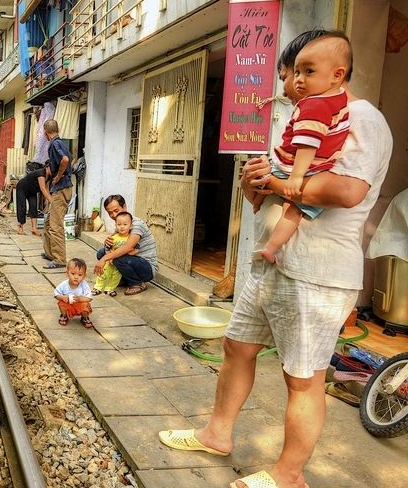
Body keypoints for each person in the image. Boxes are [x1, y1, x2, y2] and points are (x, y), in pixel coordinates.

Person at [158, 30, 393, 488]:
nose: (292, 87)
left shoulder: (363, 119)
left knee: (303, 378)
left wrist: (281, 183)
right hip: (272, 264)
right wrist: (255, 182)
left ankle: (289, 475)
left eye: (299, 74)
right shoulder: (305, 120)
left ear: (335, 74)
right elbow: (260, 199)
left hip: (316, 273)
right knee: (236, 347)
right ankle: (216, 434)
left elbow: (348, 190)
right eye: (292, 75)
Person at [258, 35, 351, 263]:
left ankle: (270, 245)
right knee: (293, 211)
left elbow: (309, 142)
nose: (298, 80)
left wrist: (290, 178)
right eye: (297, 72)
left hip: (294, 171)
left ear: (337, 75)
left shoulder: (315, 104)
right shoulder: (337, 101)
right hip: (304, 173)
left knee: (286, 201)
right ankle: (271, 247)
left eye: (308, 72)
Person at [94, 195, 157, 295]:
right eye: (110, 213)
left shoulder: (136, 224)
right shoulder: (120, 223)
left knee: (116, 257)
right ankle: (123, 279)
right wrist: (108, 243)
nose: (113, 215)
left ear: (124, 207)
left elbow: (128, 247)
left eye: (116, 210)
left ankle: (137, 283)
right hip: (131, 260)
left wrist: (104, 259)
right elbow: (115, 245)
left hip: (146, 268)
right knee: (101, 252)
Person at [41, 119, 73, 269]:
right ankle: (50, 253)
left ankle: (59, 259)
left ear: (46, 133)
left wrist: (58, 176)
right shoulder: (62, 143)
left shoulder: (54, 144)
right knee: (49, 222)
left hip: (61, 188)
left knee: (56, 225)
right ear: (58, 129)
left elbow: (65, 160)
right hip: (61, 188)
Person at [92, 212, 140, 296]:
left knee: (116, 277)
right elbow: (107, 248)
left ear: (131, 226)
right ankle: (98, 287)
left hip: (120, 263)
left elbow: (137, 249)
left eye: (125, 224)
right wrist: (109, 257)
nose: (122, 226)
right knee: (103, 273)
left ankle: (110, 289)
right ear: (116, 225)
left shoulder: (131, 238)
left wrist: (129, 253)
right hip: (110, 262)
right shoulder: (114, 237)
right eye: (119, 224)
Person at [53, 258, 93, 328]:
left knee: (86, 305)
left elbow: (89, 298)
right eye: (73, 274)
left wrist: (80, 299)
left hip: (79, 305)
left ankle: (84, 318)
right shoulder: (64, 284)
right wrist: (62, 297)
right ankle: (64, 315)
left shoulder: (84, 285)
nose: (76, 277)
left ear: (84, 276)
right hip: (69, 305)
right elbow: (56, 294)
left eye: (80, 275)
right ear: (67, 273)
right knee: (61, 303)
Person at [13, 162, 52, 235]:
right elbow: (42, 189)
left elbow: (46, 189)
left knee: (34, 207)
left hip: (32, 190)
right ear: (48, 167)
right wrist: (52, 201)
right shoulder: (41, 173)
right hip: (22, 187)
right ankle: (20, 228)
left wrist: (47, 200)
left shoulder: (49, 177)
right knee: (22, 207)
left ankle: (34, 229)